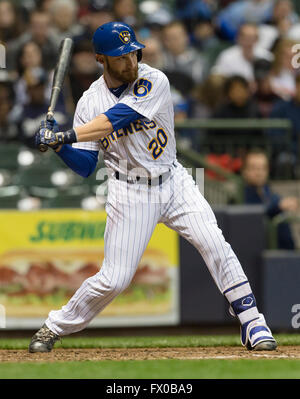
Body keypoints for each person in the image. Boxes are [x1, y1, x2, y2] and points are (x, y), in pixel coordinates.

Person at [29, 21, 277, 353]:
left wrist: (64, 135)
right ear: (101, 59)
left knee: (213, 241)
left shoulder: (154, 79)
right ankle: (52, 327)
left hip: (173, 180)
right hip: (129, 191)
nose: (130, 61)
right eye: (121, 57)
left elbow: (118, 118)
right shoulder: (89, 102)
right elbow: (86, 166)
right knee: (114, 279)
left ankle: (253, 321)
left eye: (133, 52)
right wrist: (59, 147)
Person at [242, 149, 298, 249]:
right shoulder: (241, 195)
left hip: (285, 253)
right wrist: (278, 206)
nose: (259, 172)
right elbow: (254, 213)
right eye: (254, 168)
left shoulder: (269, 192)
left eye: (263, 168)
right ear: (245, 171)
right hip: (259, 255)